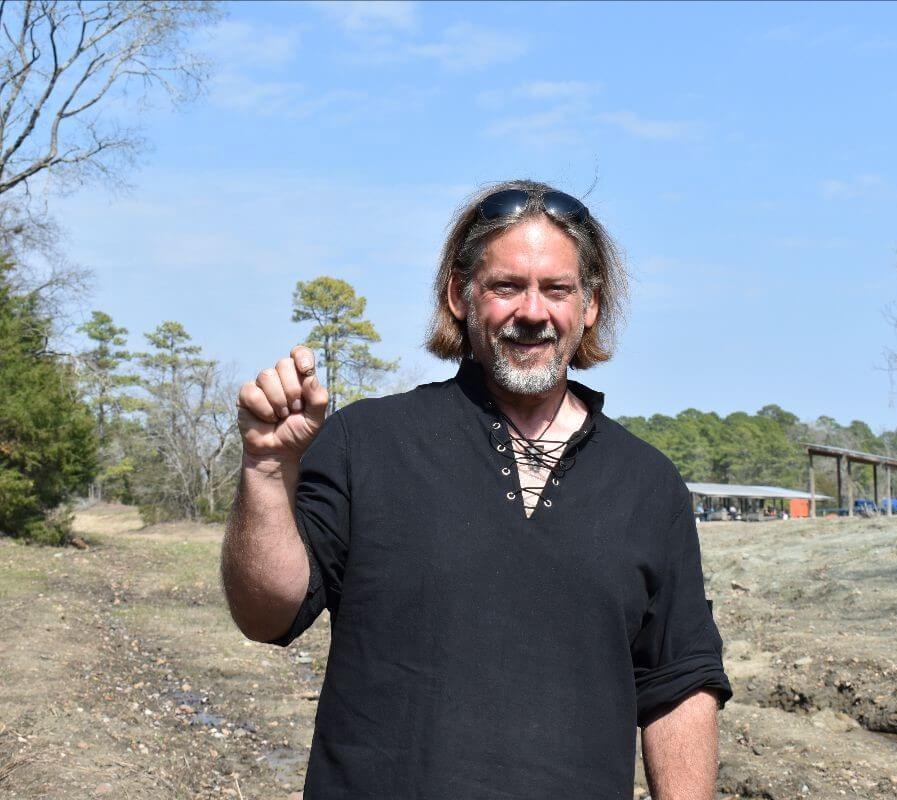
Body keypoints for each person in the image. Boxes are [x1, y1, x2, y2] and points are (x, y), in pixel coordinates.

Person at [222, 179, 731, 799]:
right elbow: (266, 615)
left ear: (591, 305)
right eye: (506, 286)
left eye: (557, 289)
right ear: (459, 296)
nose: (533, 312)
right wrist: (267, 473)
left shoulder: (649, 486)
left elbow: (678, 686)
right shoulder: (368, 443)